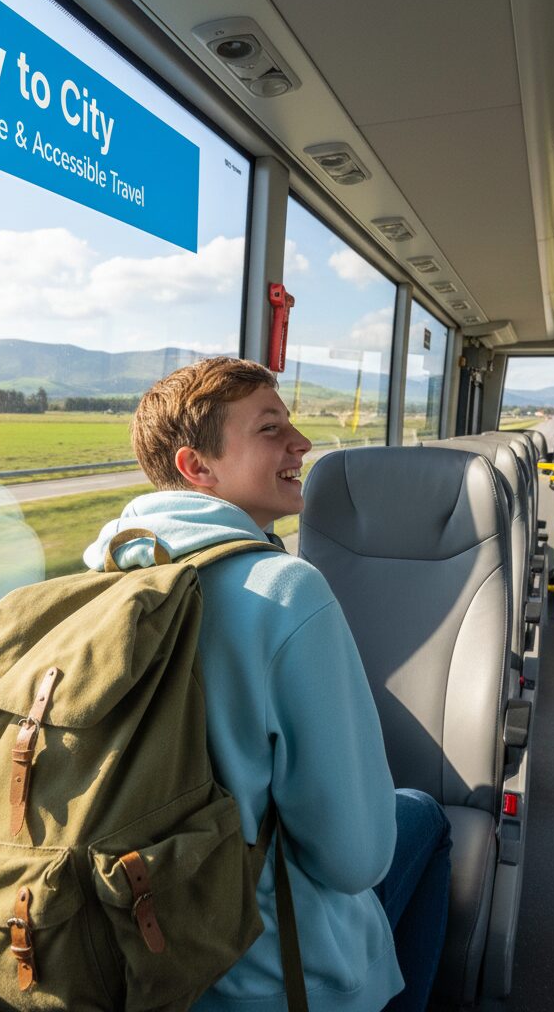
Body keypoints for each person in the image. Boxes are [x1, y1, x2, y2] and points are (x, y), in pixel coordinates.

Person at [83, 357, 451, 1012]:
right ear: (199, 468)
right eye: (270, 429)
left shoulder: (96, 583)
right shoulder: (285, 590)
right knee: (422, 812)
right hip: (266, 975)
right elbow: (356, 860)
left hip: (134, 955)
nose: (302, 443)